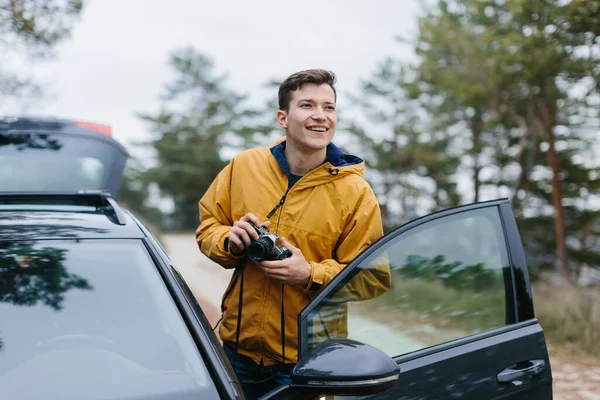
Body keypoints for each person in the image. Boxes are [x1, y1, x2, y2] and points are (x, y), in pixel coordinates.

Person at [196, 69, 389, 399]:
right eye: (308, 105)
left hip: (311, 362)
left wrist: (309, 274)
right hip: (236, 350)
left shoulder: (356, 193)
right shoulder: (243, 166)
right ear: (283, 117)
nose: (320, 116)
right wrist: (231, 241)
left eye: (329, 107)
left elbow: (373, 277)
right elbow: (208, 228)